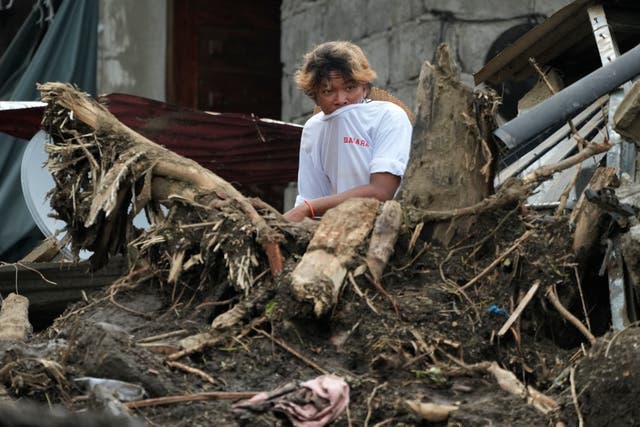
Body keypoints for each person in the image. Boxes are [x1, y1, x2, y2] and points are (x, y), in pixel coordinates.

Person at [283, 41, 413, 222]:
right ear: (315, 97)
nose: (341, 99)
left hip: (388, 226)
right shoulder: (314, 129)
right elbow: (311, 197)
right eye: (328, 91)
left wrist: (308, 208)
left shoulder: (388, 116)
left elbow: (382, 191)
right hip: (334, 231)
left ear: (365, 88)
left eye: (350, 88)